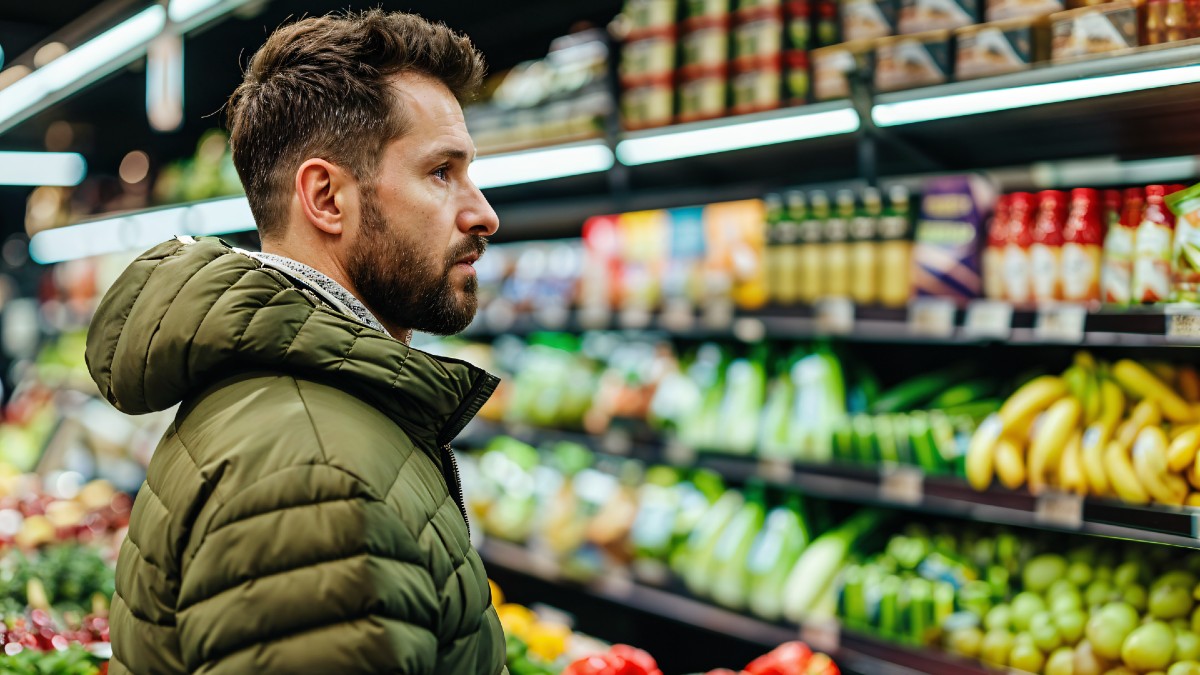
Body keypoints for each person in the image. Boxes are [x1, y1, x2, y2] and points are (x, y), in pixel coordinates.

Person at [84, 10, 506, 674]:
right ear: (327, 198)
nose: (484, 211)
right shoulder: (316, 473)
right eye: (440, 172)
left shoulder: (306, 417)